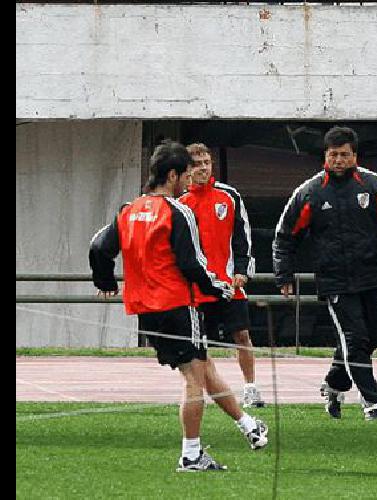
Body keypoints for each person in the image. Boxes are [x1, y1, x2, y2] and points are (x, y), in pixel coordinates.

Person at [89, 140, 268, 472]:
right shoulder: (177, 210)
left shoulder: (128, 210)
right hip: (177, 305)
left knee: (202, 366)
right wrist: (221, 289)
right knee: (193, 378)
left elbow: (99, 247)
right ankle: (191, 454)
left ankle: (248, 425)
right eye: (186, 173)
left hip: (145, 309)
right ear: (172, 175)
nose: (190, 179)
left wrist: (106, 282)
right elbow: (192, 264)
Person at [272, 126, 377, 421]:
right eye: (333, 155)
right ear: (325, 156)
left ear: (354, 156)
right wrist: (284, 275)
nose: (338, 160)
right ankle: (371, 400)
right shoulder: (310, 192)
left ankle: (334, 385)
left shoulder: (373, 186)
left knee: (369, 339)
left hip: (371, 275)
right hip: (334, 279)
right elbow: (285, 236)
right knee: (354, 337)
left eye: (344, 155)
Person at [177, 143, 265, 409]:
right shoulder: (180, 203)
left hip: (228, 284)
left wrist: (242, 271)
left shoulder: (229, 196)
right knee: (200, 343)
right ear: (186, 169)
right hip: (198, 287)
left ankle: (250, 388)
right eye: (197, 163)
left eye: (207, 162)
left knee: (242, 335)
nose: (204, 168)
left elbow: (243, 237)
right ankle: (204, 388)